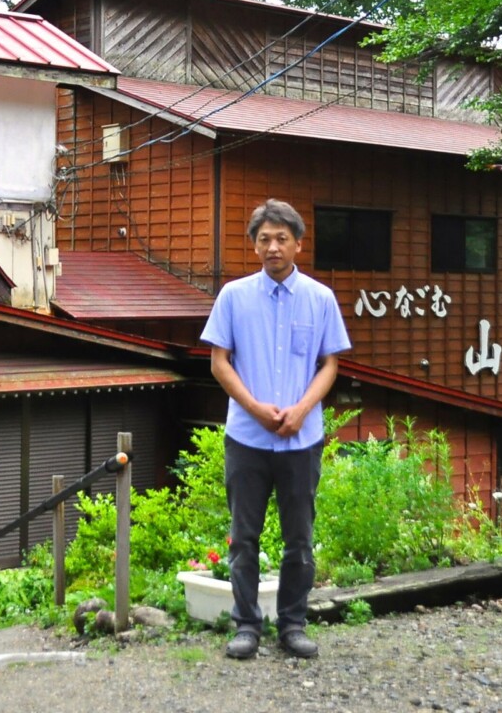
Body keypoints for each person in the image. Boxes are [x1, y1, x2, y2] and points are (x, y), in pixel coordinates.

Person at [200, 199, 351, 660]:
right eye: (264, 239)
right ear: (254, 246)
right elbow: (218, 361)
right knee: (244, 536)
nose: (272, 247)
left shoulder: (320, 298)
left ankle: (293, 624)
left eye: (281, 238)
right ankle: (247, 625)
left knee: (299, 539)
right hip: (247, 437)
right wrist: (256, 408)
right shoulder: (233, 296)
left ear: (298, 244)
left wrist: (303, 409)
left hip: (301, 440)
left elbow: (330, 364)